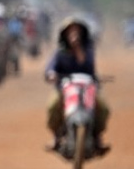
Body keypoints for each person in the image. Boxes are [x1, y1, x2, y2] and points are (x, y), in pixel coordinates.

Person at [44, 18, 109, 152]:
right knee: (52, 106)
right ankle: (56, 137)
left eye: (77, 32)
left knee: (103, 108)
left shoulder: (88, 51)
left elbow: (88, 66)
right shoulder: (60, 53)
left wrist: (78, 49)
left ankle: (97, 137)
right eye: (71, 32)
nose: (74, 35)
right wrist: (51, 74)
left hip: (87, 88)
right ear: (65, 35)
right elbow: (51, 67)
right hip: (65, 89)